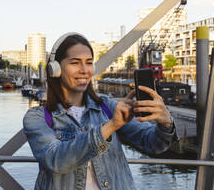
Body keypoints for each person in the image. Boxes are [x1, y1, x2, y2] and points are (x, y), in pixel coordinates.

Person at [23, 33, 178, 190]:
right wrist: (111, 126)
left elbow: (152, 144)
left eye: (89, 63)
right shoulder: (38, 117)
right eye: (75, 63)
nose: (84, 70)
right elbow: (56, 160)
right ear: (55, 69)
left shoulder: (107, 107)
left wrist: (165, 123)